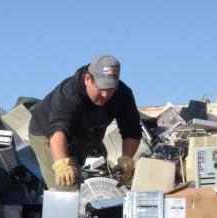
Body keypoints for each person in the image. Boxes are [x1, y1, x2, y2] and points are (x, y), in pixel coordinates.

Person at [28, 55, 142, 191]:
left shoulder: (123, 95)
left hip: (81, 140)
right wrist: (61, 163)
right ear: (88, 79)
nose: (105, 95)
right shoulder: (69, 94)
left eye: (110, 89)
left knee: (77, 184)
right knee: (67, 187)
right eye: (101, 88)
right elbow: (58, 130)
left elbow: (132, 130)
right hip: (47, 136)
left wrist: (127, 158)